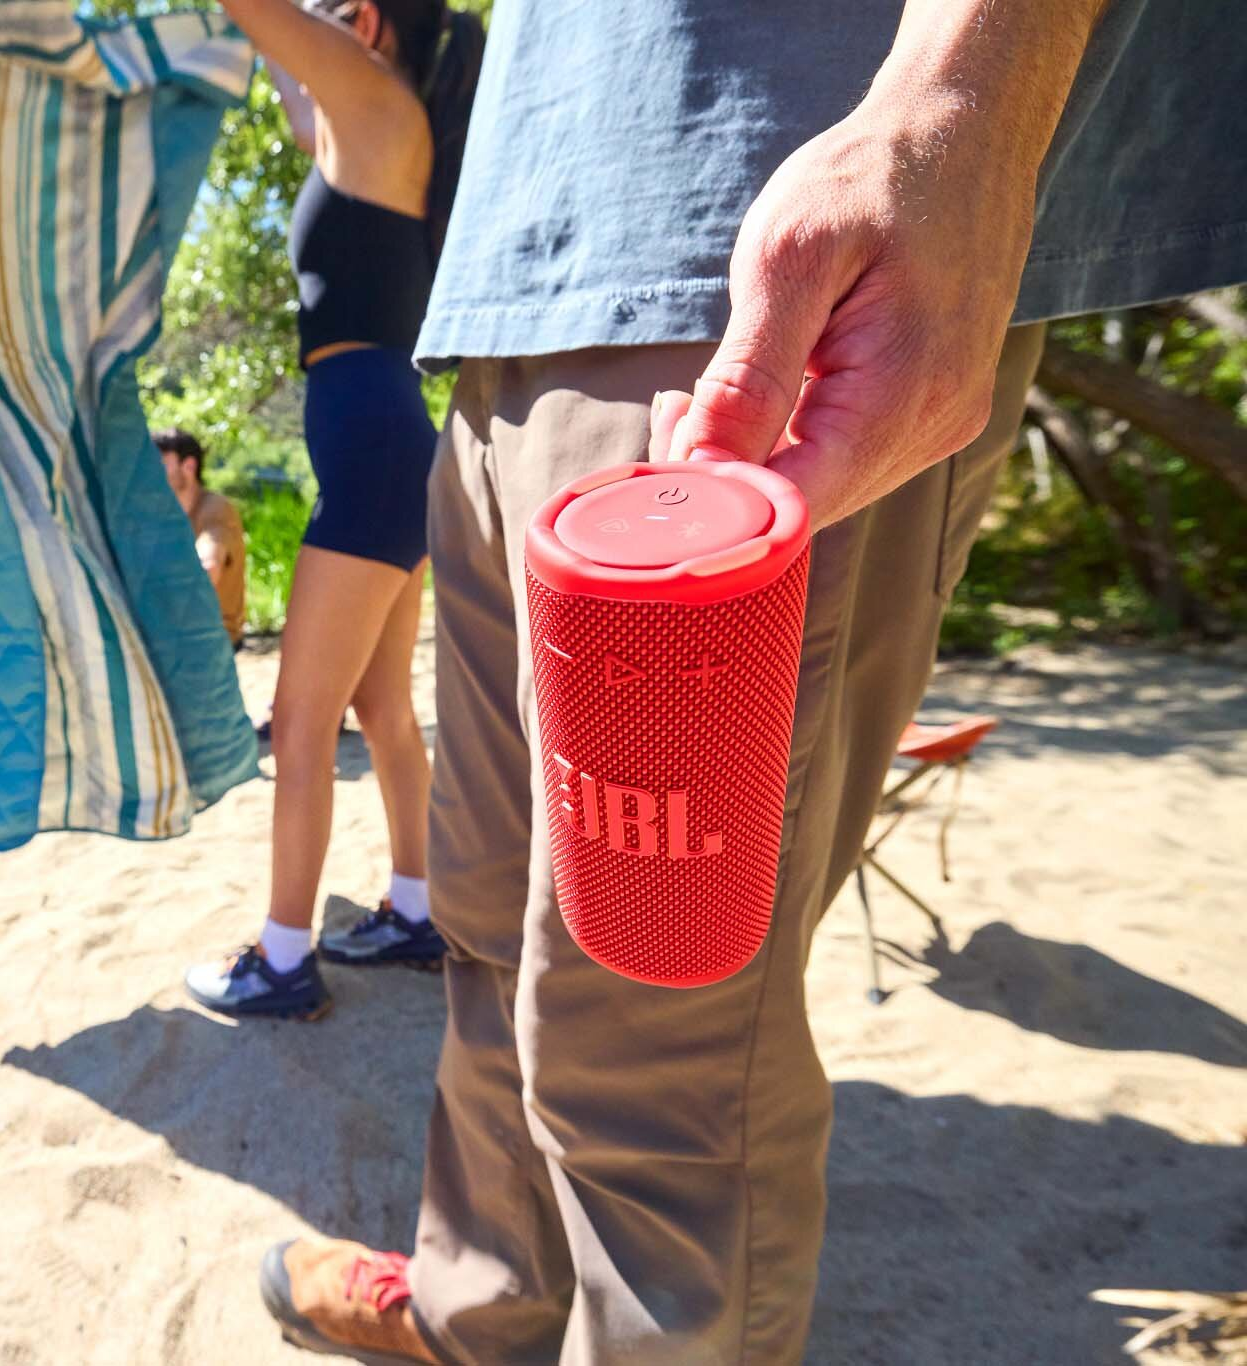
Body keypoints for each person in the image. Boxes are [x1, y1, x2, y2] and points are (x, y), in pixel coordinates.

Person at [252, 0, 1247, 1362]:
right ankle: (479, 1309)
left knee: (649, 1024)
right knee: (483, 920)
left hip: (772, 257)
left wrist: (955, 98)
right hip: (513, 309)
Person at [181, 0, 484, 1021]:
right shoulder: (366, 124)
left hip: (369, 450)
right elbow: (291, 102)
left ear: (362, 18)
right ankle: (414, 909)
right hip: (390, 445)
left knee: (299, 724)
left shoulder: (378, 102)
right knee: (381, 710)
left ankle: (280, 958)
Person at [155, 428, 248, 647]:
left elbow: (207, 569)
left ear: (188, 466)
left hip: (212, 640)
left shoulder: (215, 509)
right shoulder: (166, 514)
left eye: (161, 464)